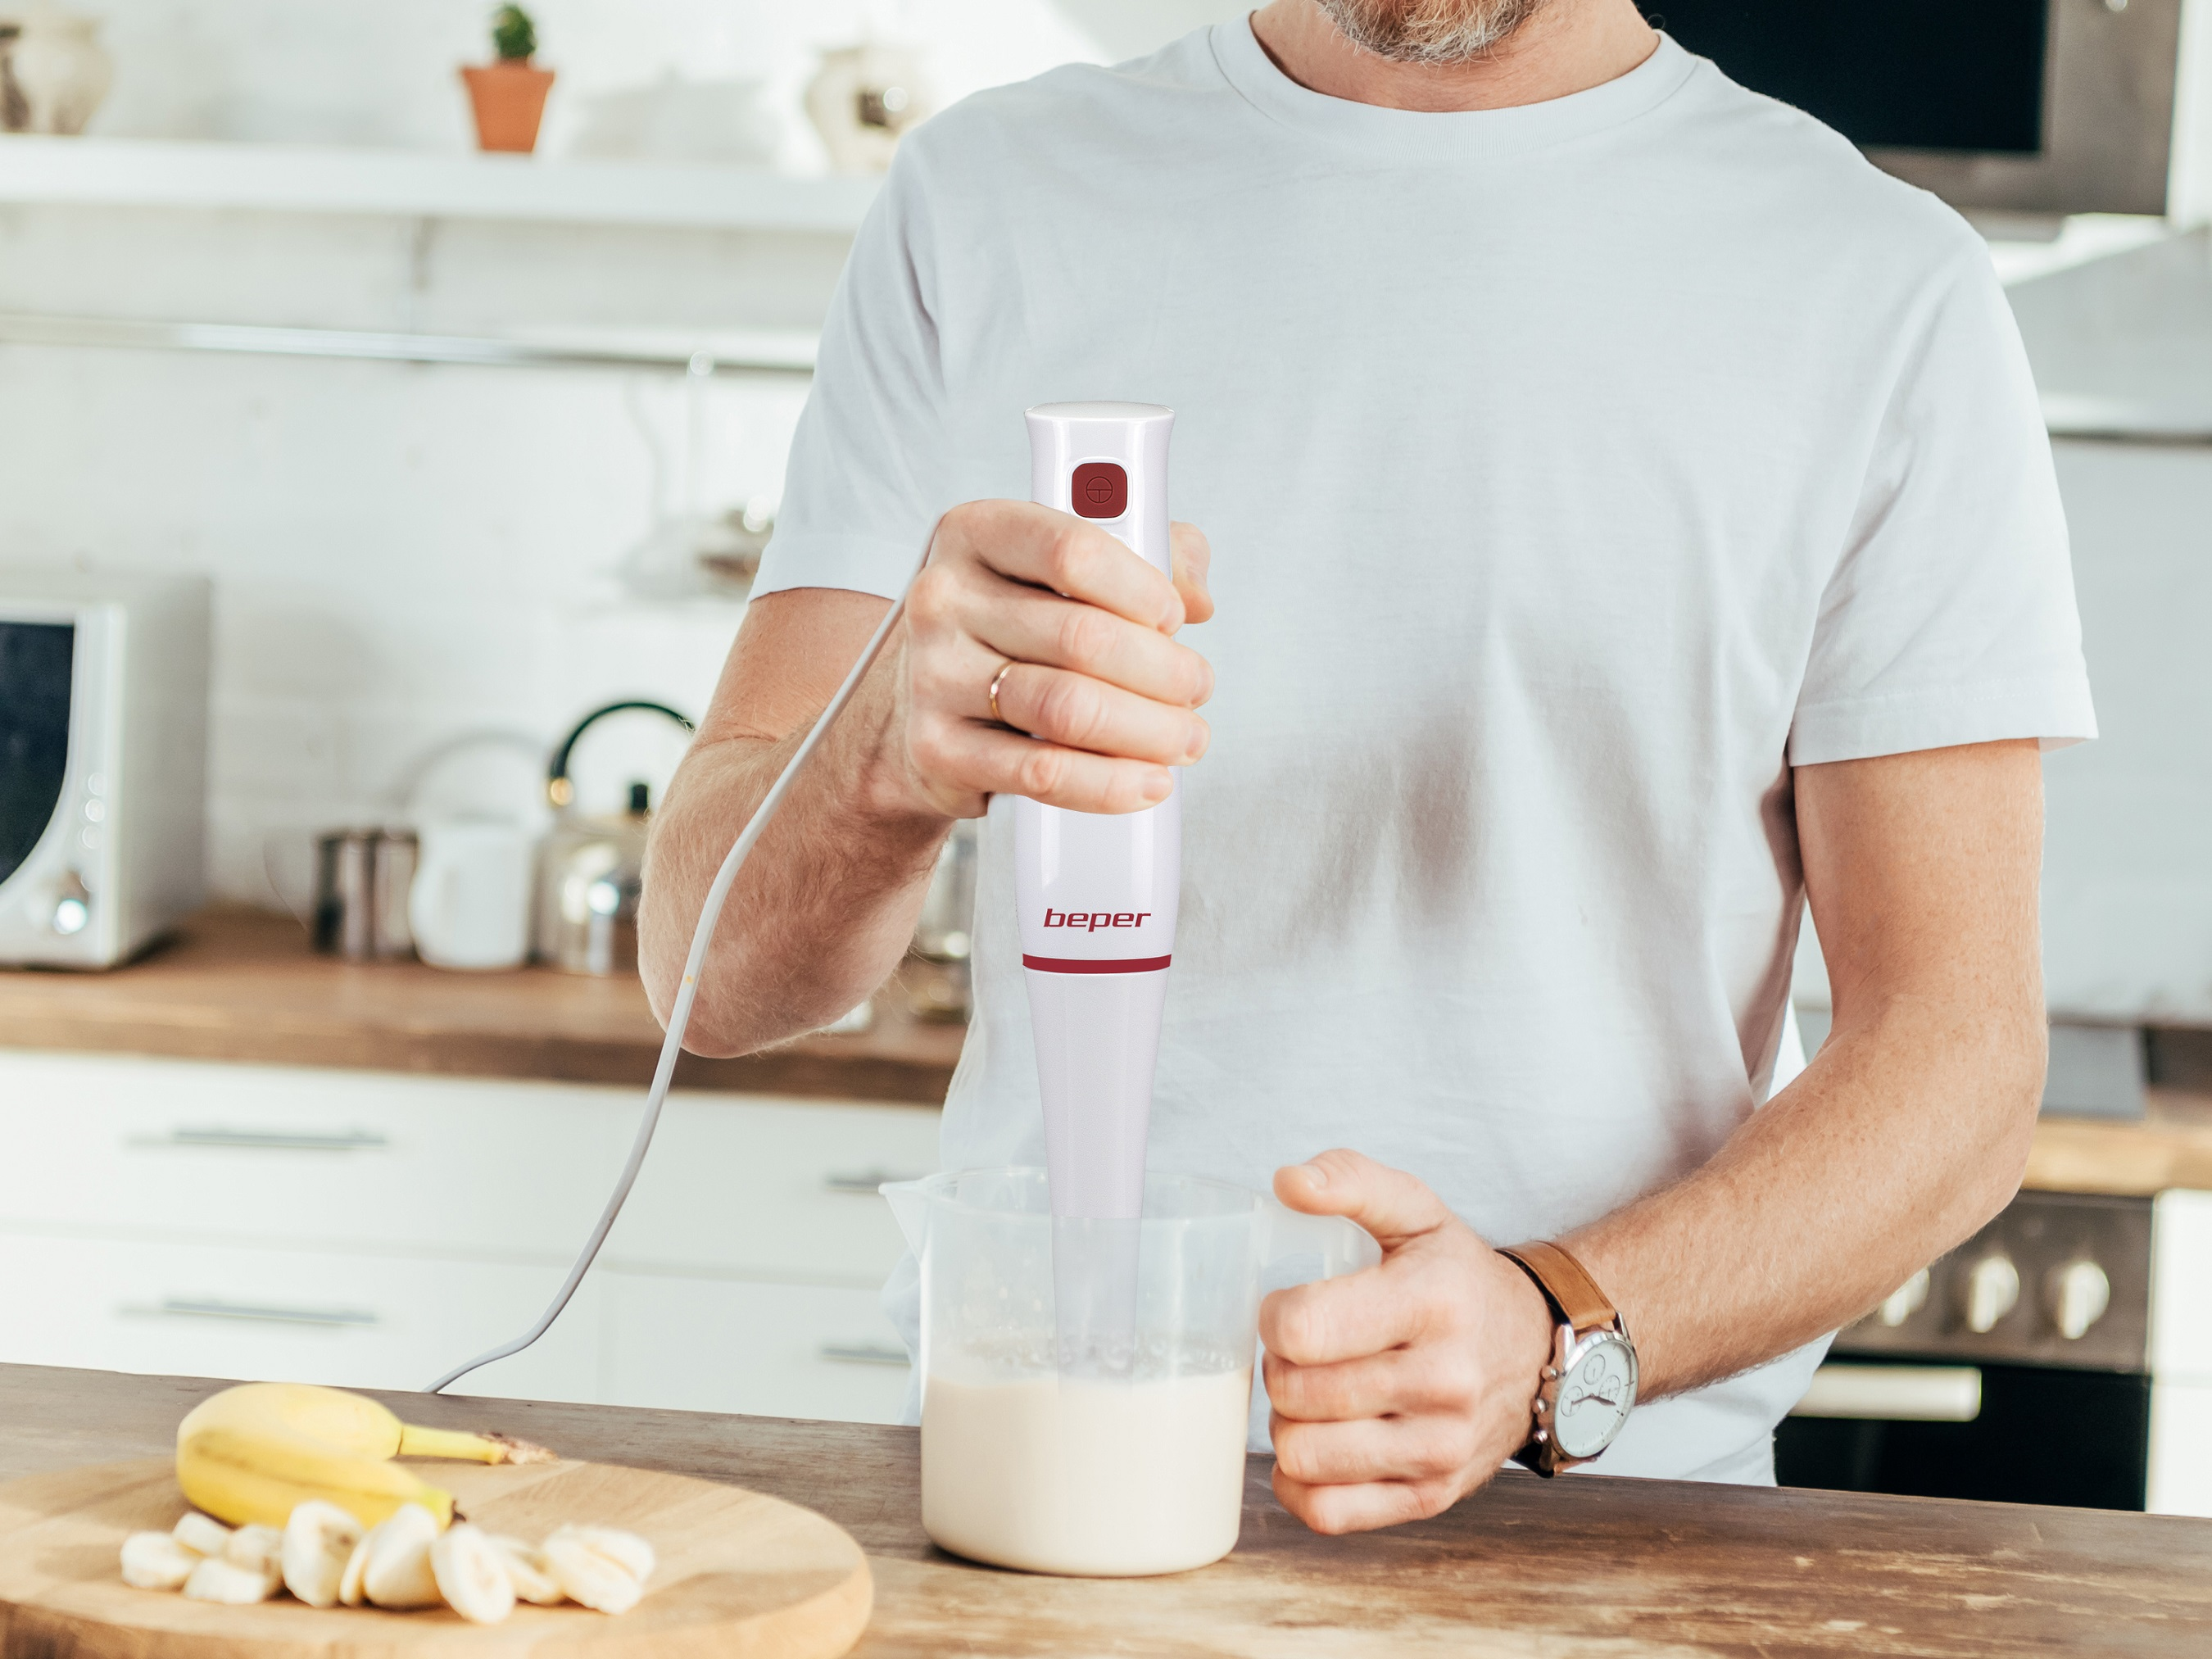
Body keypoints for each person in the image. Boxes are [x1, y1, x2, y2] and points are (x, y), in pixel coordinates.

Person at [640, 0, 2093, 1532]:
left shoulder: (1876, 288)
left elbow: (1960, 1060)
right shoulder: (985, 201)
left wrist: (1556, 1323)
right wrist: (883, 754)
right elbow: (707, 976)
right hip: (1033, 1487)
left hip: (1602, 1528)